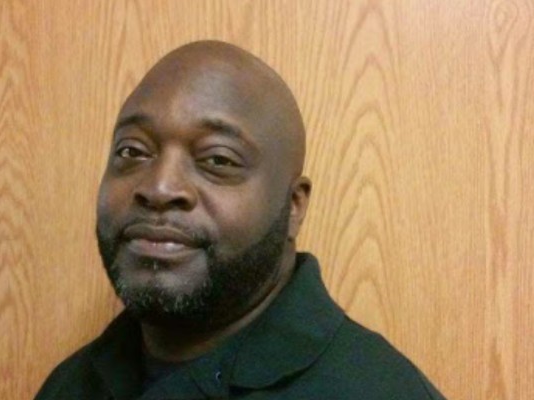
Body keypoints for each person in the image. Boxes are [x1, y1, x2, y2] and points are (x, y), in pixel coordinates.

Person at [35, 40, 445, 400]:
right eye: (133, 151)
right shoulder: (69, 385)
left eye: (218, 160)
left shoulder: (380, 391)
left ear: (294, 206)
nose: (159, 187)